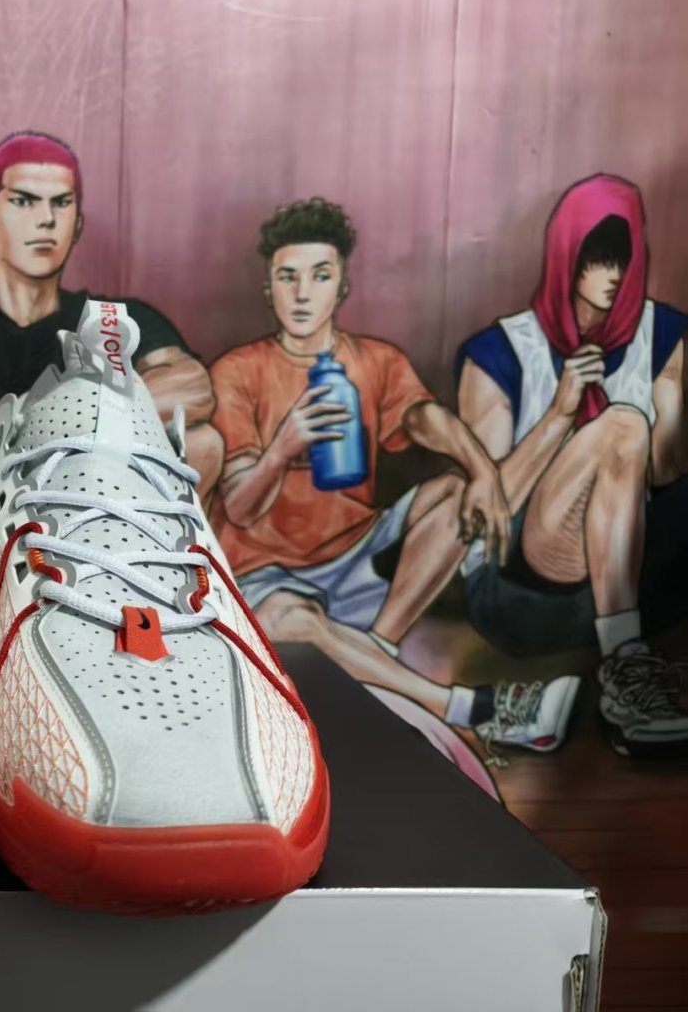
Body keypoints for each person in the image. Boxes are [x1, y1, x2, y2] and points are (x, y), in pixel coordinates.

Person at [209, 197, 579, 757]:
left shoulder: (375, 360)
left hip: (355, 558)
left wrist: (482, 470)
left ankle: (374, 654)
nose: (303, 293)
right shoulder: (237, 370)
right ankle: (473, 709)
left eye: (320, 275)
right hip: (266, 574)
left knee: (456, 493)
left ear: (342, 286)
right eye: (288, 277)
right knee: (288, 619)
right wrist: (283, 446)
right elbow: (239, 509)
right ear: (269, 288)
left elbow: (424, 419)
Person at [456, 173, 688, 756]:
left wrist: (669, 413)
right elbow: (486, 511)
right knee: (623, 423)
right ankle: (626, 663)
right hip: (520, 572)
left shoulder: (664, 335)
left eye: (624, 260)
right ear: (567, 258)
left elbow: (666, 474)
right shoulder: (500, 353)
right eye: (598, 259)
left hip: (638, 560)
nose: (614, 276)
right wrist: (560, 415)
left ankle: (628, 664)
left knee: (630, 429)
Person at [0, 131, 224, 495]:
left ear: (78, 225)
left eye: (61, 203)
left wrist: (52, 429)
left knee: (202, 442)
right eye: (24, 201)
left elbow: (190, 387)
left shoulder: (114, 317)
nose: (46, 219)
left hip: (80, 497)